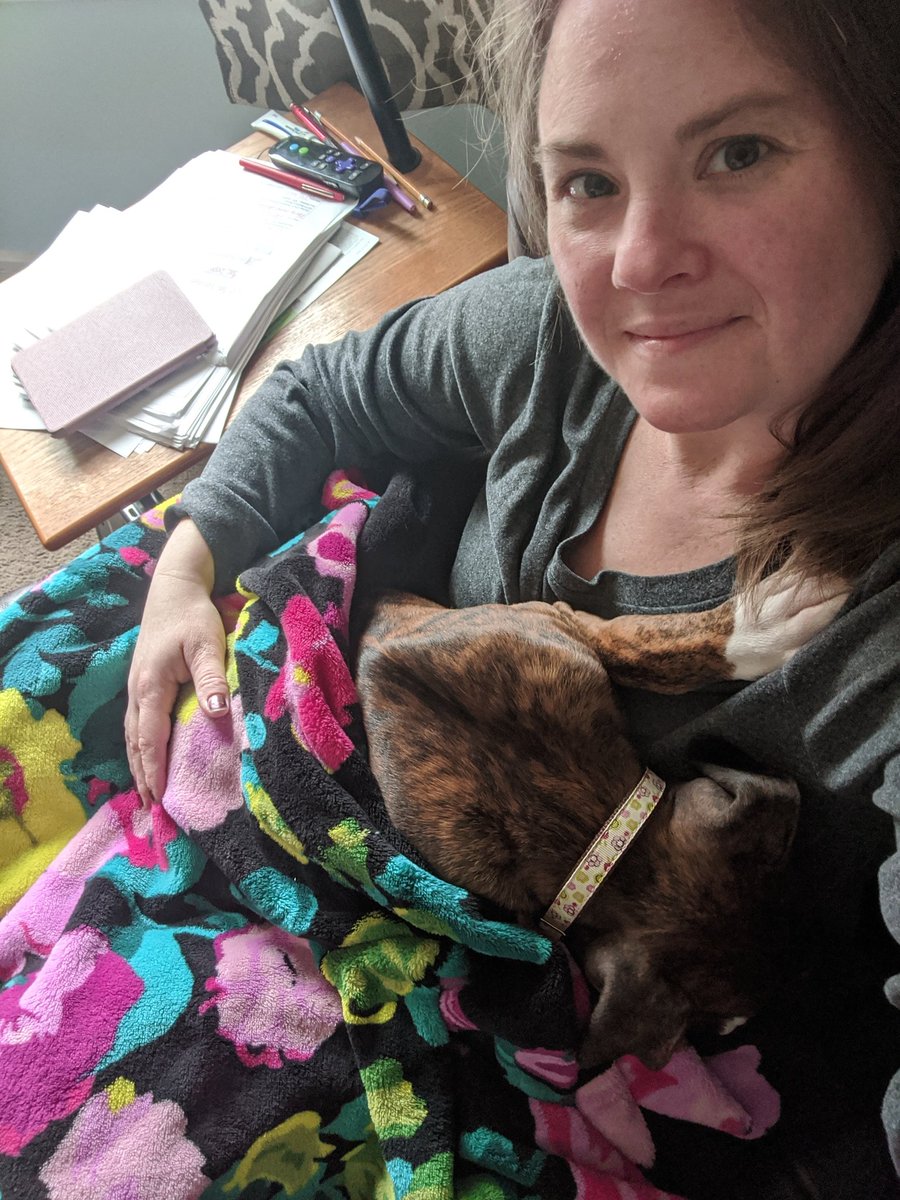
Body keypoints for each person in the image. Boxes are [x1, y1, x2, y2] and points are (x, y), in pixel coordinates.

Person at [127, 0, 900, 1193]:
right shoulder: (547, 337)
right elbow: (324, 393)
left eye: (736, 152)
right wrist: (189, 561)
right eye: (588, 179)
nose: (642, 263)